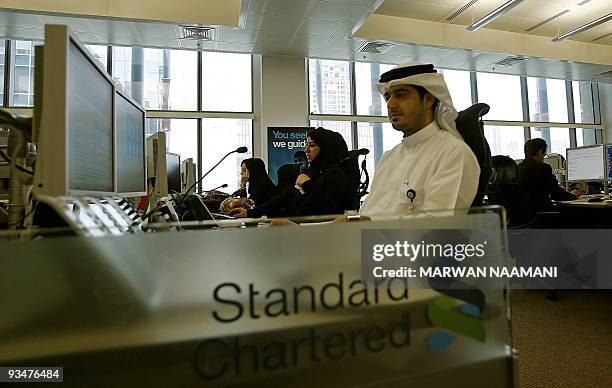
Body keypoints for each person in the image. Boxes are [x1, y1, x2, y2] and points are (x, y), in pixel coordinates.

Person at [357, 62, 480, 218]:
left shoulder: (453, 153)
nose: (390, 104)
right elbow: (367, 214)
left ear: (428, 100)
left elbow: (436, 228)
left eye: (401, 95)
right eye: (387, 97)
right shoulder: (388, 158)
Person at [230, 127, 359, 218]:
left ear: (325, 149)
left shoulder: (336, 174)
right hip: (296, 228)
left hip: (317, 234)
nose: (306, 150)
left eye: (312, 145)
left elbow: (330, 208)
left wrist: (307, 185)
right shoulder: (313, 172)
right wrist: (250, 213)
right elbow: (285, 197)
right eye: (306, 145)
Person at [517, 138, 582, 211]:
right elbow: (556, 194)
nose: (543, 158)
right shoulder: (542, 167)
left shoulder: (519, 167)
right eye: (544, 154)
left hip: (527, 213)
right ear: (540, 152)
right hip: (543, 213)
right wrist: (572, 195)